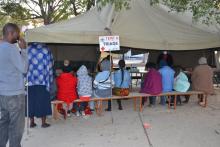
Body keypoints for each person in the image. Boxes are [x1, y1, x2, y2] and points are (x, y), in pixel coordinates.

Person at [0, 23, 28, 147]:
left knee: (4, 124)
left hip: (2, 93)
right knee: (16, 128)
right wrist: (24, 50)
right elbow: (24, 68)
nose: (19, 37)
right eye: (17, 34)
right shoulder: (11, 49)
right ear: (11, 33)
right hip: (15, 94)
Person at [27, 43, 54, 128]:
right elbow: (51, 63)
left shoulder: (28, 48)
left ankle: (32, 122)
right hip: (43, 80)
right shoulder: (46, 49)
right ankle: (43, 123)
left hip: (30, 80)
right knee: (43, 101)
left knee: (31, 101)